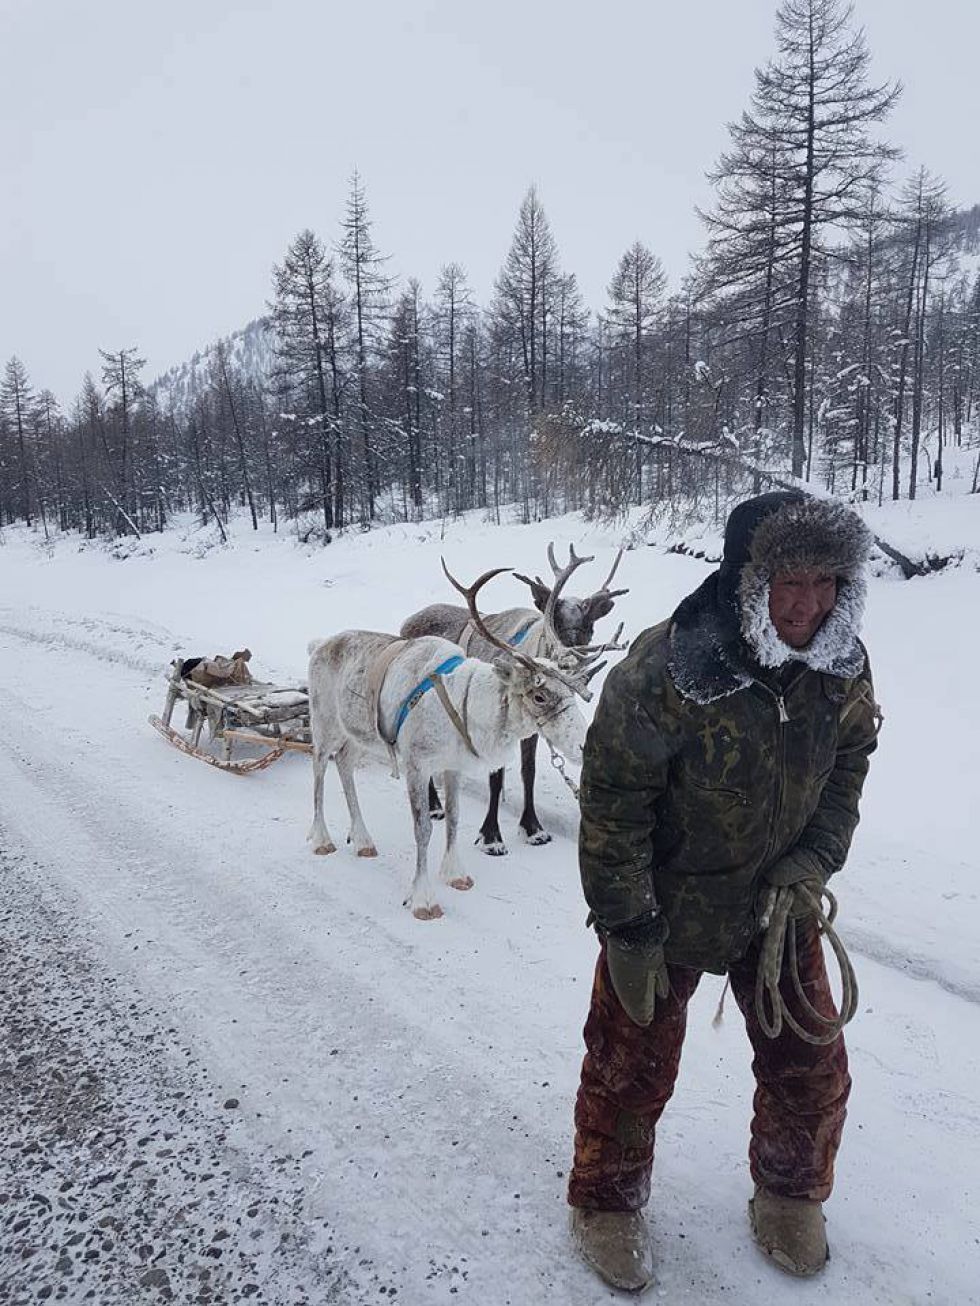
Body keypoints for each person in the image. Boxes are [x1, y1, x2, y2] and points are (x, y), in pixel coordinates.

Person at [567, 491, 881, 1292]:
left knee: (810, 1064)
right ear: (748, 580)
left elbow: (850, 762)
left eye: (826, 582)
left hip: (779, 907)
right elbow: (612, 801)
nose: (809, 604)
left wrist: (814, 858)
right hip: (665, 909)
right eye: (788, 582)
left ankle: (789, 1194)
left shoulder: (842, 662)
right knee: (628, 1067)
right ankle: (606, 1200)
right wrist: (626, 925)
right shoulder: (668, 667)